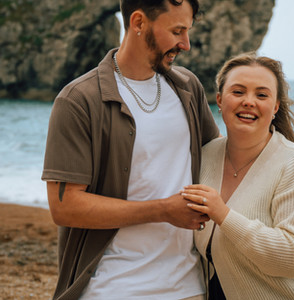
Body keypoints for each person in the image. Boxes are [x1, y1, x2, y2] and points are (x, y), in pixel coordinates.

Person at [42, 1, 220, 299]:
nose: (186, 44)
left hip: (190, 287)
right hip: (112, 287)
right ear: (138, 23)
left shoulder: (189, 87)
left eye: (187, 31)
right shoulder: (78, 100)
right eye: (177, 31)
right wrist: (164, 210)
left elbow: (218, 162)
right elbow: (65, 207)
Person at [181, 52, 294, 299]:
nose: (249, 101)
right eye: (238, 92)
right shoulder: (205, 157)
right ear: (219, 100)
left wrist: (224, 214)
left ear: (275, 107)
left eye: (261, 95)